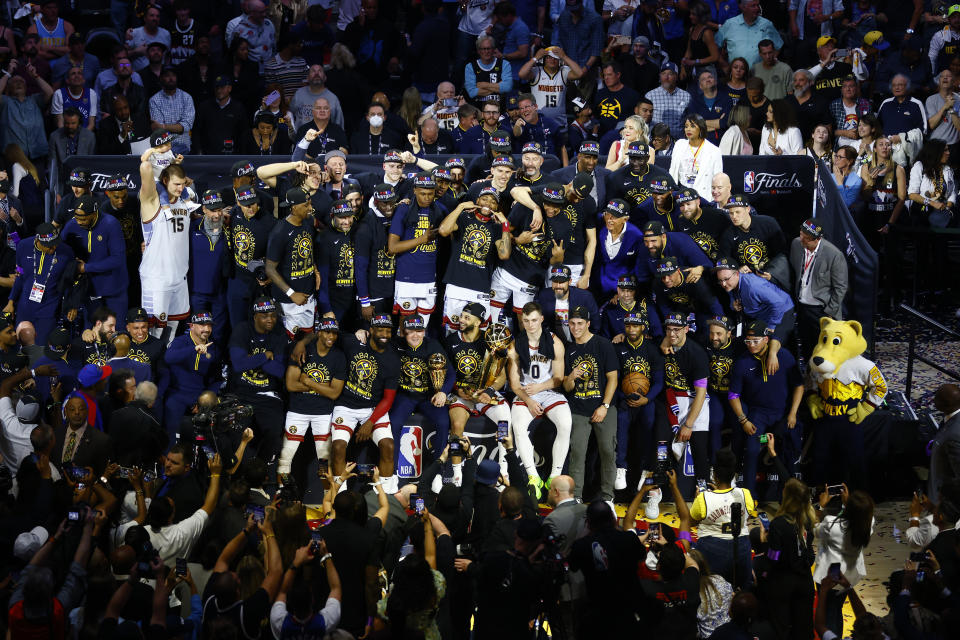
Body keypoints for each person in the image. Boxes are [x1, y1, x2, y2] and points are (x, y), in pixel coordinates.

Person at [329, 314, 401, 492]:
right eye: (380, 330)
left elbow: (388, 399)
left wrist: (370, 423)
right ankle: (340, 494)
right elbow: (327, 335)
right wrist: (301, 344)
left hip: (373, 408)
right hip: (345, 405)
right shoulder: (352, 343)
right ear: (371, 331)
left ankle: (385, 495)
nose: (384, 334)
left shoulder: (393, 360)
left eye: (388, 330)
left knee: (388, 446)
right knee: (338, 447)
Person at [507, 302, 571, 498]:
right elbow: (514, 384)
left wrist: (540, 388)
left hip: (549, 390)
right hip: (526, 392)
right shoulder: (515, 345)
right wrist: (528, 400)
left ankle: (554, 476)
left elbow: (559, 378)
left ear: (541, 319)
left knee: (566, 423)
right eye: (526, 320)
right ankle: (533, 477)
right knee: (517, 426)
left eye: (534, 320)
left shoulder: (555, 342)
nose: (530, 324)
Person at [564, 306, 619, 501]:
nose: (575, 327)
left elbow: (613, 378)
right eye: (572, 323)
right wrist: (571, 376)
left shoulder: (602, 344)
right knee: (577, 453)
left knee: (607, 451)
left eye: (580, 323)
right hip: (579, 408)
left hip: (604, 407)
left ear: (588, 324)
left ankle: (607, 497)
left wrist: (604, 406)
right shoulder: (569, 350)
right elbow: (567, 386)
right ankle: (576, 497)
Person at [813, 484, 875, 637]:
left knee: (829, 614)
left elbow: (815, 529)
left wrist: (821, 506)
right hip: (849, 575)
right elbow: (859, 515)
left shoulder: (831, 524)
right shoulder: (868, 523)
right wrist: (848, 504)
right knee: (837, 610)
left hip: (830, 576)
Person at [788, 219, 849, 359]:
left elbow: (840, 288)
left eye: (806, 239)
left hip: (821, 309)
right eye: (801, 234)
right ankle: (808, 375)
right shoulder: (796, 244)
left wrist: (830, 312)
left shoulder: (834, 254)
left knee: (823, 347)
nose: (802, 240)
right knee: (805, 343)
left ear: (817, 239)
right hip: (802, 306)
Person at [265, 188, 316, 337]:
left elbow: (309, 252)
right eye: (306, 205)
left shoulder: (308, 222)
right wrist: (291, 294)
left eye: (310, 204)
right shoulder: (279, 232)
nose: (310, 208)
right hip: (288, 301)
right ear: (294, 208)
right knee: (291, 342)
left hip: (308, 294)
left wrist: (316, 270)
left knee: (307, 339)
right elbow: (270, 268)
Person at [669, 114, 723, 200]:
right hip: (682, 192)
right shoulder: (679, 145)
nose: (688, 129)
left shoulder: (714, 151)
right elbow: (672, 171)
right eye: (686, 126)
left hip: (703, 195)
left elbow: (718, 179)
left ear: (701, 128)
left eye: (692, 126)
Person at [716, 0, 784, 67]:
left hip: (760, 74)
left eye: (758, 5)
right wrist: (724, 65)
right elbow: (715, 45)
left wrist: (769, 64)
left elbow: (778, 46)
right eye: (753, 6)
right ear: (743, 8)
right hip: (736, 73)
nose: (757, 8)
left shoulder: (766, 24)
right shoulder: (730, 24)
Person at [929, 384, 960, 501]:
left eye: (936, 397)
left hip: (943, 503)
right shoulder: (951, 416)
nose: (933, 399)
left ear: (944, 405)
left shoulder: (954, 435)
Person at [645, 62, 691, 140]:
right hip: (656, 141)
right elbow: (644, 121)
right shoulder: (650, 96)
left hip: (679, 141)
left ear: (676, 76)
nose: (666, 77)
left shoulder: (686, 96)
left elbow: (690, 120)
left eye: (670, 74)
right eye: (663, 73)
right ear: (660, 76)